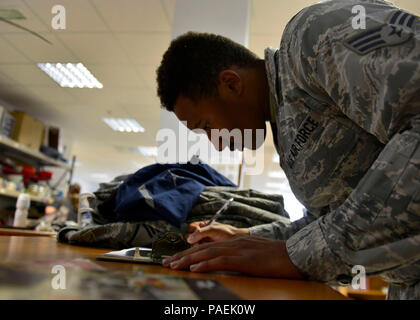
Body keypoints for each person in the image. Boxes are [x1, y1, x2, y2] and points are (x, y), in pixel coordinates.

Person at [156, 0, 420, 299]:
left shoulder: (311, 37)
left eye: (205, 125)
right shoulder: (285, 121)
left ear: (230, 84)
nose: (215, 141)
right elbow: (332, 221)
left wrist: (298, 257)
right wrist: (247, 238)